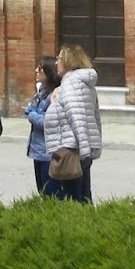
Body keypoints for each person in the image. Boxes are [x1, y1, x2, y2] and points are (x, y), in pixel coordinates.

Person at [43, 44, 102, 203]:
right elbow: (94, 117)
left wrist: (83, 150)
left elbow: (77, 118)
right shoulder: (82, 83)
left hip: (72, 150)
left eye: (59, 59)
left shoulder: (71, 84)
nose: (56, 63)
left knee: (73, 199)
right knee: (83, 196)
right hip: (80, 149)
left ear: (68, 61)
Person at [24, 56, 59, 192]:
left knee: (50, 192)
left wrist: (31, 114)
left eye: (40, 68)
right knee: (42, 191)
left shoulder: (54, 94)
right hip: (38, 150)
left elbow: (47, 121)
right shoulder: (42, 91)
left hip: (48, 152)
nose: (36, 70)